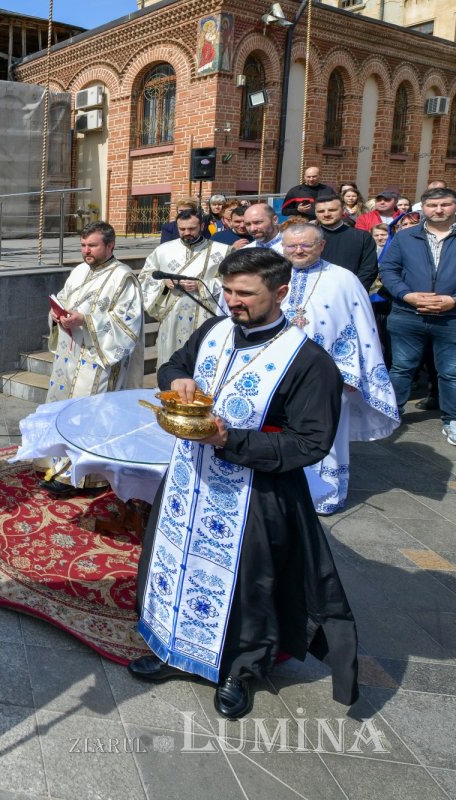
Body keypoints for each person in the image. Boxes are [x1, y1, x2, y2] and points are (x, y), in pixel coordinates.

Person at [129, 246, 358, 720]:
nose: (233, 301)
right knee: (175, 562)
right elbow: (174, 364)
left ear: (280, 292)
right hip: (190, 479)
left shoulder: (309, 361)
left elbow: (310, 443)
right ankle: (174, 650)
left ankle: (241, 670)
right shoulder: (214, 330)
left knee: (249, 585)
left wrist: (231, 440)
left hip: (257, 494)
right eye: (228, 290)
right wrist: (178, 384)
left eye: (246, 294)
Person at [279, 223, 398, 513]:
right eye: (291, 246)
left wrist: (351, 373)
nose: (297, 251)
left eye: (305, 245)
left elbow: (363, 330)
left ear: (321, 246)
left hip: (330, 373)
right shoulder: (271, 273)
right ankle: (284, 492)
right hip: (279, 370)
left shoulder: (344, 279)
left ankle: (324, 494)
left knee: (325, 434)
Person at [35, 221, 144, 492]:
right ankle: (59, 466)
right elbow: (63, 297)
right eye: (83, 245)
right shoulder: (79, 270)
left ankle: (89, 478)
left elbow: (128, 322)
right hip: (70, 355)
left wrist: (85, 319)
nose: (86, 251)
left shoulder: (123, 277)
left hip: (99, 359)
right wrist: (56, 314)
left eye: (92, 245)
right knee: (64, 411)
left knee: (90, 416)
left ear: (110, 245)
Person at [378, 186, 456, 445]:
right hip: (407, 313)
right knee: (401, 367)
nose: (439, 210)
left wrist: (452, 301)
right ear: (423, 208)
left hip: (451, 316)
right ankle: (392, 414)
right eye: (433, 205)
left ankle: (452, 420)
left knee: (451, 371)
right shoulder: (405, 237)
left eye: (445, 204)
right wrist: (406, 295)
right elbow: (388, 269)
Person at [140, 210, 229, 365]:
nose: (187, 233)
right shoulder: (163, 250)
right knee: (171, 360)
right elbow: (146, 276)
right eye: (182, 229)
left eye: (192, 228)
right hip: (172, 316)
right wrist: (164, 283)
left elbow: (233, 281)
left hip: (205, 314)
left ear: (202, 226)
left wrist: (202, 284)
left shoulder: (222, 251)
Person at [313, 193, 379, 291]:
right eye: (321, 211)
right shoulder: (307, 237)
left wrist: (353, 292)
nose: (326, 214)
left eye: (332, 210)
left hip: (350, 293)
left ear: (343, 210)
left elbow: (369, 270)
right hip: (314, 293)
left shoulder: (362, 237)